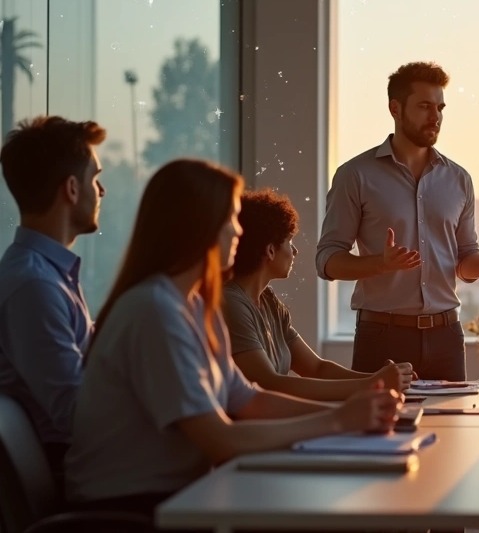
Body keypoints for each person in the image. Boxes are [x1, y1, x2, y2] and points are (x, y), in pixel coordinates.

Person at [66, 159, 400, 516]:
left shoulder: (193, 307)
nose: (238, 233)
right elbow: (221, 440)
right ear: (201, 229)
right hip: (128, 513)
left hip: (178, 498)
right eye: (230, 220)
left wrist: (356, 415)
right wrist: (340, 421)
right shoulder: (155, 311)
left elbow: (249, 401)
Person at [316, 61, 479, 381]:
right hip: (381, 338)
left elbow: (464, 261)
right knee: (378, 430)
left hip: (447, 337)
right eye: (424, 106)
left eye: (440, 107)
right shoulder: (355, 175)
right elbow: (327, 261)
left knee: (453, 430)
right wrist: (380, 263)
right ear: (395, 108)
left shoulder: (459, 180)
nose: (436, 117)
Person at [0, 116, 106, 483]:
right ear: (72, 189)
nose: (102, 190)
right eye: (95, 178)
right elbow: (77, 414)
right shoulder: (33, 286)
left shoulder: (49, 276)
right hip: (77, 476)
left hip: (82, 465)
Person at [224, 188, 414, 400]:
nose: (294, 251)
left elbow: (316, 368)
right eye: (289, 241)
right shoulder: (232, 303)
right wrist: (373, 384)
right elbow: (269, 384)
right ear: (270, 250)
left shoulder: (269, 301)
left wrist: (379, 378)